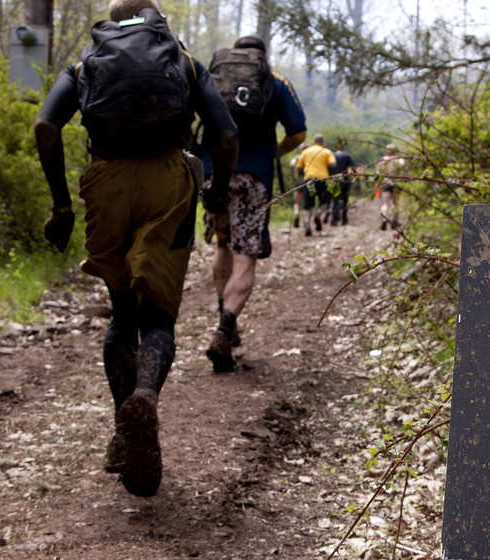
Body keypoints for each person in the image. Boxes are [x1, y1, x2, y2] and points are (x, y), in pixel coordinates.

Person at [35, 0, 238, 497]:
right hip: (169, 180)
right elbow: (226, 133)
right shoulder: (184, 62)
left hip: (104, 180)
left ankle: (122, 426)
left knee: (121, 312)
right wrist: (214, 193)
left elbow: (45, 126)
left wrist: (62, 206)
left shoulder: (85, 65)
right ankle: (145, 395)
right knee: (160, 317)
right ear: (154, 21)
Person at [201, 36, 307, 372]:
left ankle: (224, 318)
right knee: (244, 256)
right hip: (252, 177)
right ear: (264, 56)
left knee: (222, 245)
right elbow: (299, 132)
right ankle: (224, 328)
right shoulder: (275, 82)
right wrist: (273, 151)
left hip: (213, 173)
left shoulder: (213, 76)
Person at [295, 133, 336, 236]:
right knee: (324, 202)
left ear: (313, 142)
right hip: (323, 179)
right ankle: (318, 214)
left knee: (307, 205)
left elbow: (299, 168)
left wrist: (304, 174)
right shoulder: (326, 151)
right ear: (322, 142)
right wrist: (331, 175)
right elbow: (333, 165)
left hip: (309, 179)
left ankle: (307, 224)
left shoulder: (305, 152)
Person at [377, 144, 405, 230]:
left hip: (385, 183)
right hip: (396, 183)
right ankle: (394, 221)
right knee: (395, 203)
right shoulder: (399, 160)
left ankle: (384, 218)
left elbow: (378, 173)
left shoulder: (382, 160)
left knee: (385, 204)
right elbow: (403, 171)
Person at [330, 143, 356, 226]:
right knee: (345, 199)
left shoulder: (332, 155)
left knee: (335, 199)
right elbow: (352, 168)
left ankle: (334, 218)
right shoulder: (347, 155)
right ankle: (344, 218)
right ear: (343, 148)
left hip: (334, 180)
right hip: (345, 180)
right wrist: (354, 176)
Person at [289, 142, 310, 228]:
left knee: (297, 201)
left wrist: (293, 176)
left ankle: (297, 213)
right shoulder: (310, 157)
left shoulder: (298, 157)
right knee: (307, 202)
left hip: (299, 179)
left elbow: (291, 164)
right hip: (308, 179)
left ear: (300, 150)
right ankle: (306, 221)